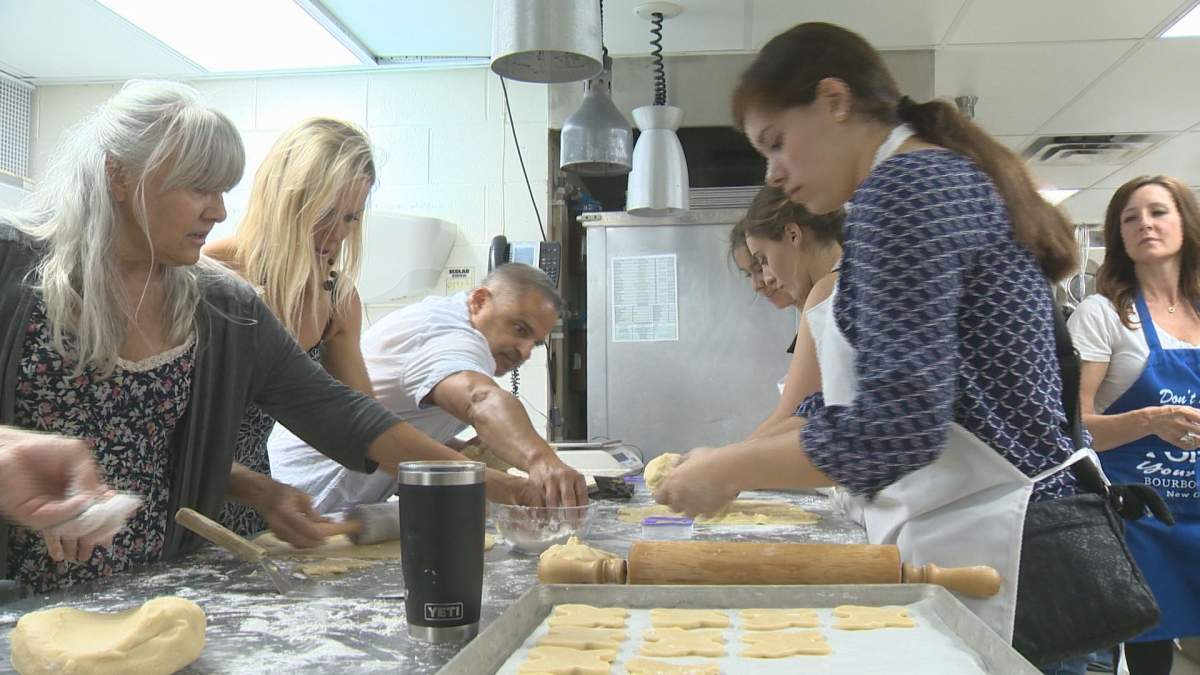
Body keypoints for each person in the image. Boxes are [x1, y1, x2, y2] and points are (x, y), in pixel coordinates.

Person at [652, 22, 1089, 671]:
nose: (772, 173)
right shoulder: (935, 180)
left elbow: (896, 429)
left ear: (834, 100)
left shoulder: (905, 191)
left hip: (1001, 561)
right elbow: (892, 400)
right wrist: (736, 453)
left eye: (776, 144)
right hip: (996, 546)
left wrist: (728, 470)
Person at [0, 81, 534, 593]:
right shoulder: (11, 267)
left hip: (162, 583)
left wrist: (491, 482)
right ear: (119, 175)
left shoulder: (222, 305)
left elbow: (346, 416)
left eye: (223, 190)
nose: (219, 209)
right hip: (19, 589)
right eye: (198, 187)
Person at [270, 263, 587, 512]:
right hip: (297, 498)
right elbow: (479, 398)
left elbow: (394, 417)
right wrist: (541, 460)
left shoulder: (456, 332)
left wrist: (451, 447)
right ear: (479, 301)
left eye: (535, 342)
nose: (524, 350)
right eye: (520, 329)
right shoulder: (453, 334)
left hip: (332, 506)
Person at [203, 117, 377, 537]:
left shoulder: (335, 299)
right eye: (324, 213)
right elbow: (171, 437)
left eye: (351, 218)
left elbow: (363, 430)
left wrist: (446, 465)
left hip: (253, 509)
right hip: (182, 499)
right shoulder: (210, 275)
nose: (336, 233)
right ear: (284, 200)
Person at [1068, 175, 1200, 675]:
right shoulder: (1105, 315)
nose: (1144, 222)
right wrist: (1150, 419)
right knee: (1150, 651)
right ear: (1119, 237)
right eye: (1130, 217)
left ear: (1185, 222)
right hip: (1137, 516)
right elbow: (1072, 427)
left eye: (1158, 211)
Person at [736, 186, 842, 440]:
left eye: (762, 259)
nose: (767, 276)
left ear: (793, 234)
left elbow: (795, 416)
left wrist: (713, 467)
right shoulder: (848, 282)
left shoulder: (828, 292)